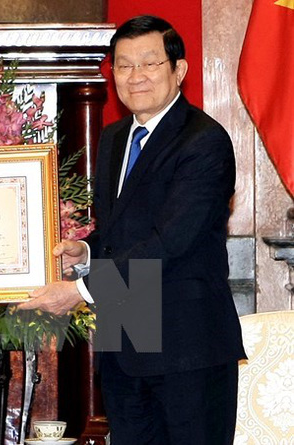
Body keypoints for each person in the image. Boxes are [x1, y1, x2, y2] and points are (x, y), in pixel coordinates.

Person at [20, 15, 246, 444]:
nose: (135, 76)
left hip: (186, 351)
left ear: (178, 70)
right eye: (123, 66)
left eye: (149, 63)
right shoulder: (115, 137)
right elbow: (122, 232)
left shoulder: (204, 141)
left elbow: (170, 242)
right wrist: (84, 253)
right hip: (126, 346)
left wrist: (81, 292)